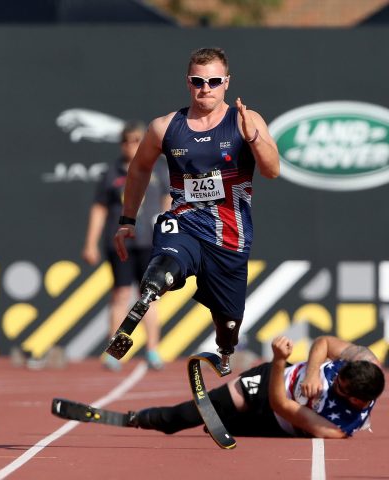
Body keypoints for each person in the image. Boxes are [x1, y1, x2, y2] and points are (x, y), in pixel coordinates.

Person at [114, 47, 280, 373]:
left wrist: (255, 138)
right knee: (163, 266)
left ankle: (226, 349)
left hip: (230, 236)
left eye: (214, 81)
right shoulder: (165, 127)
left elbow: (273, 170)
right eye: (198, 81)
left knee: (228, 324)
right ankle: (150, 291)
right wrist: (127, 220)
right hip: (185, 222)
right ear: (188, 83)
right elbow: (138, 169)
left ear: (226, 83)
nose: (206, 88)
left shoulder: (246, 120)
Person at [129, 336, 385, 438]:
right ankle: (137, 419)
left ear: (356, 401)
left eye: (339, 388)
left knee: (221, 430)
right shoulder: (366, 360)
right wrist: (313, 372)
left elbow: (281, 405)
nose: (333, 384)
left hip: (274, 420)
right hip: (268, 381)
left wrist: (278, 360)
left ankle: (233, 422)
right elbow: (325, 343)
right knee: (192, 414)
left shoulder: (337, 427)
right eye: (337, 376)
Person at [82, 121, 171, 371]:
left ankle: (152, 350)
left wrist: (168, 233)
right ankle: (115, 352)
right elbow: (99, 208)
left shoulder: (160, 169)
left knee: (150, 296)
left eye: (136, 140)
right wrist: (90, 243)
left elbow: (168, 200)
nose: (131, 146)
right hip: (120, 240)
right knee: (120, 294)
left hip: (150, 242)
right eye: (126, 140)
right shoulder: (111, 172)